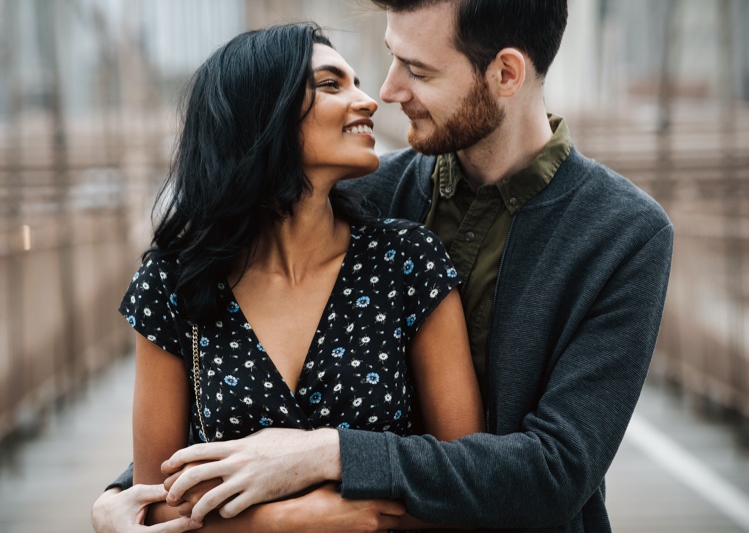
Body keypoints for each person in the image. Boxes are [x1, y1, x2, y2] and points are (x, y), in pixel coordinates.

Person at [94, 1, 674, 531]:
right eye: (393, 60)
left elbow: (557, 471)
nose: (388, 92)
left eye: (419, 72)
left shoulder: (624, 234)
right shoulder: (356, 195)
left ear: (505, 74)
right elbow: (225, 406)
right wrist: (123, 497)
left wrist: (329, 452)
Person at [105, 20, 486, 532]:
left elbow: (463, 483)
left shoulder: (407, 262)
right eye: (332, 84)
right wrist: (294, 519)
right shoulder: (175, 279)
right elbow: (152, 505)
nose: (370, 100)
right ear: (263, 113)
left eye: (355, 82)